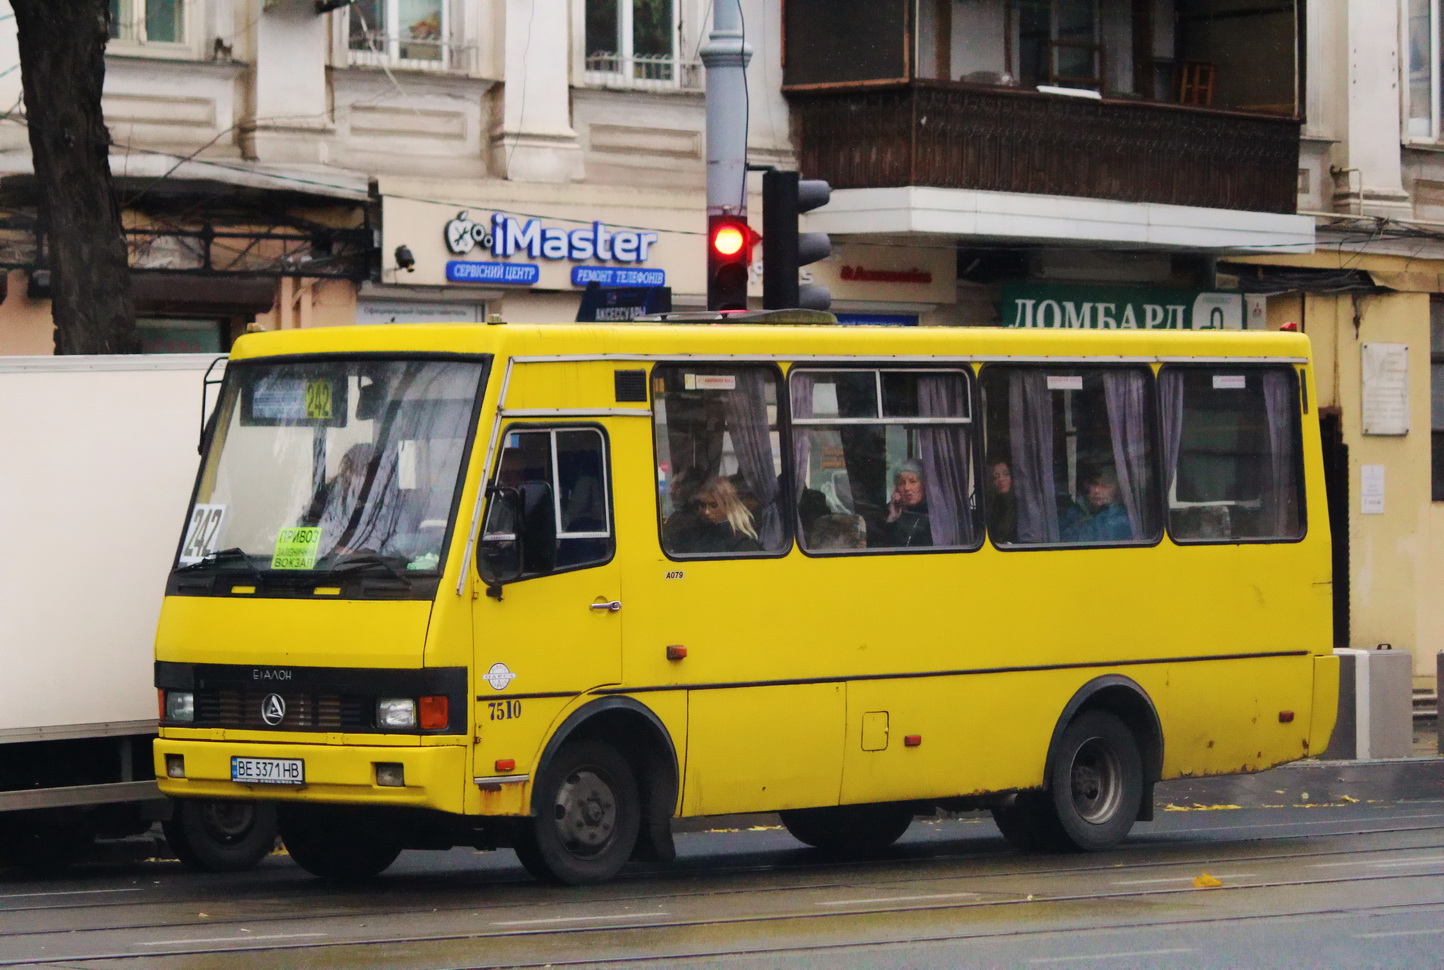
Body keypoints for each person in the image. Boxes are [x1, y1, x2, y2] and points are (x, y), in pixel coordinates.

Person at [670, 476, 761, 553]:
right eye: (703, 505)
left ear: (727, 504)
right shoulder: (698, 532)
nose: (706, 511)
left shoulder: (743, 542)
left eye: (713, 505)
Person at [1059, 466, 1133, 542]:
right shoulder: (1074, 512)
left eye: (1105, 485)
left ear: (1118, 489)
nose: (1097, 490)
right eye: (1093, 484)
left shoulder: (1119, 521)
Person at [876, 458, 931, 548]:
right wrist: (891, 520)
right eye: (901, 483)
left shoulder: (934, 516)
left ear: (924, 485)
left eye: (913, 481)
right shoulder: (889, 512)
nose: (907, 488)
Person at [987, 457, 1017, 543]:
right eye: (996, 477)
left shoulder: (1022, 505)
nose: (1001, 479)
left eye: (1006, 474)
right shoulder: (992, 507)